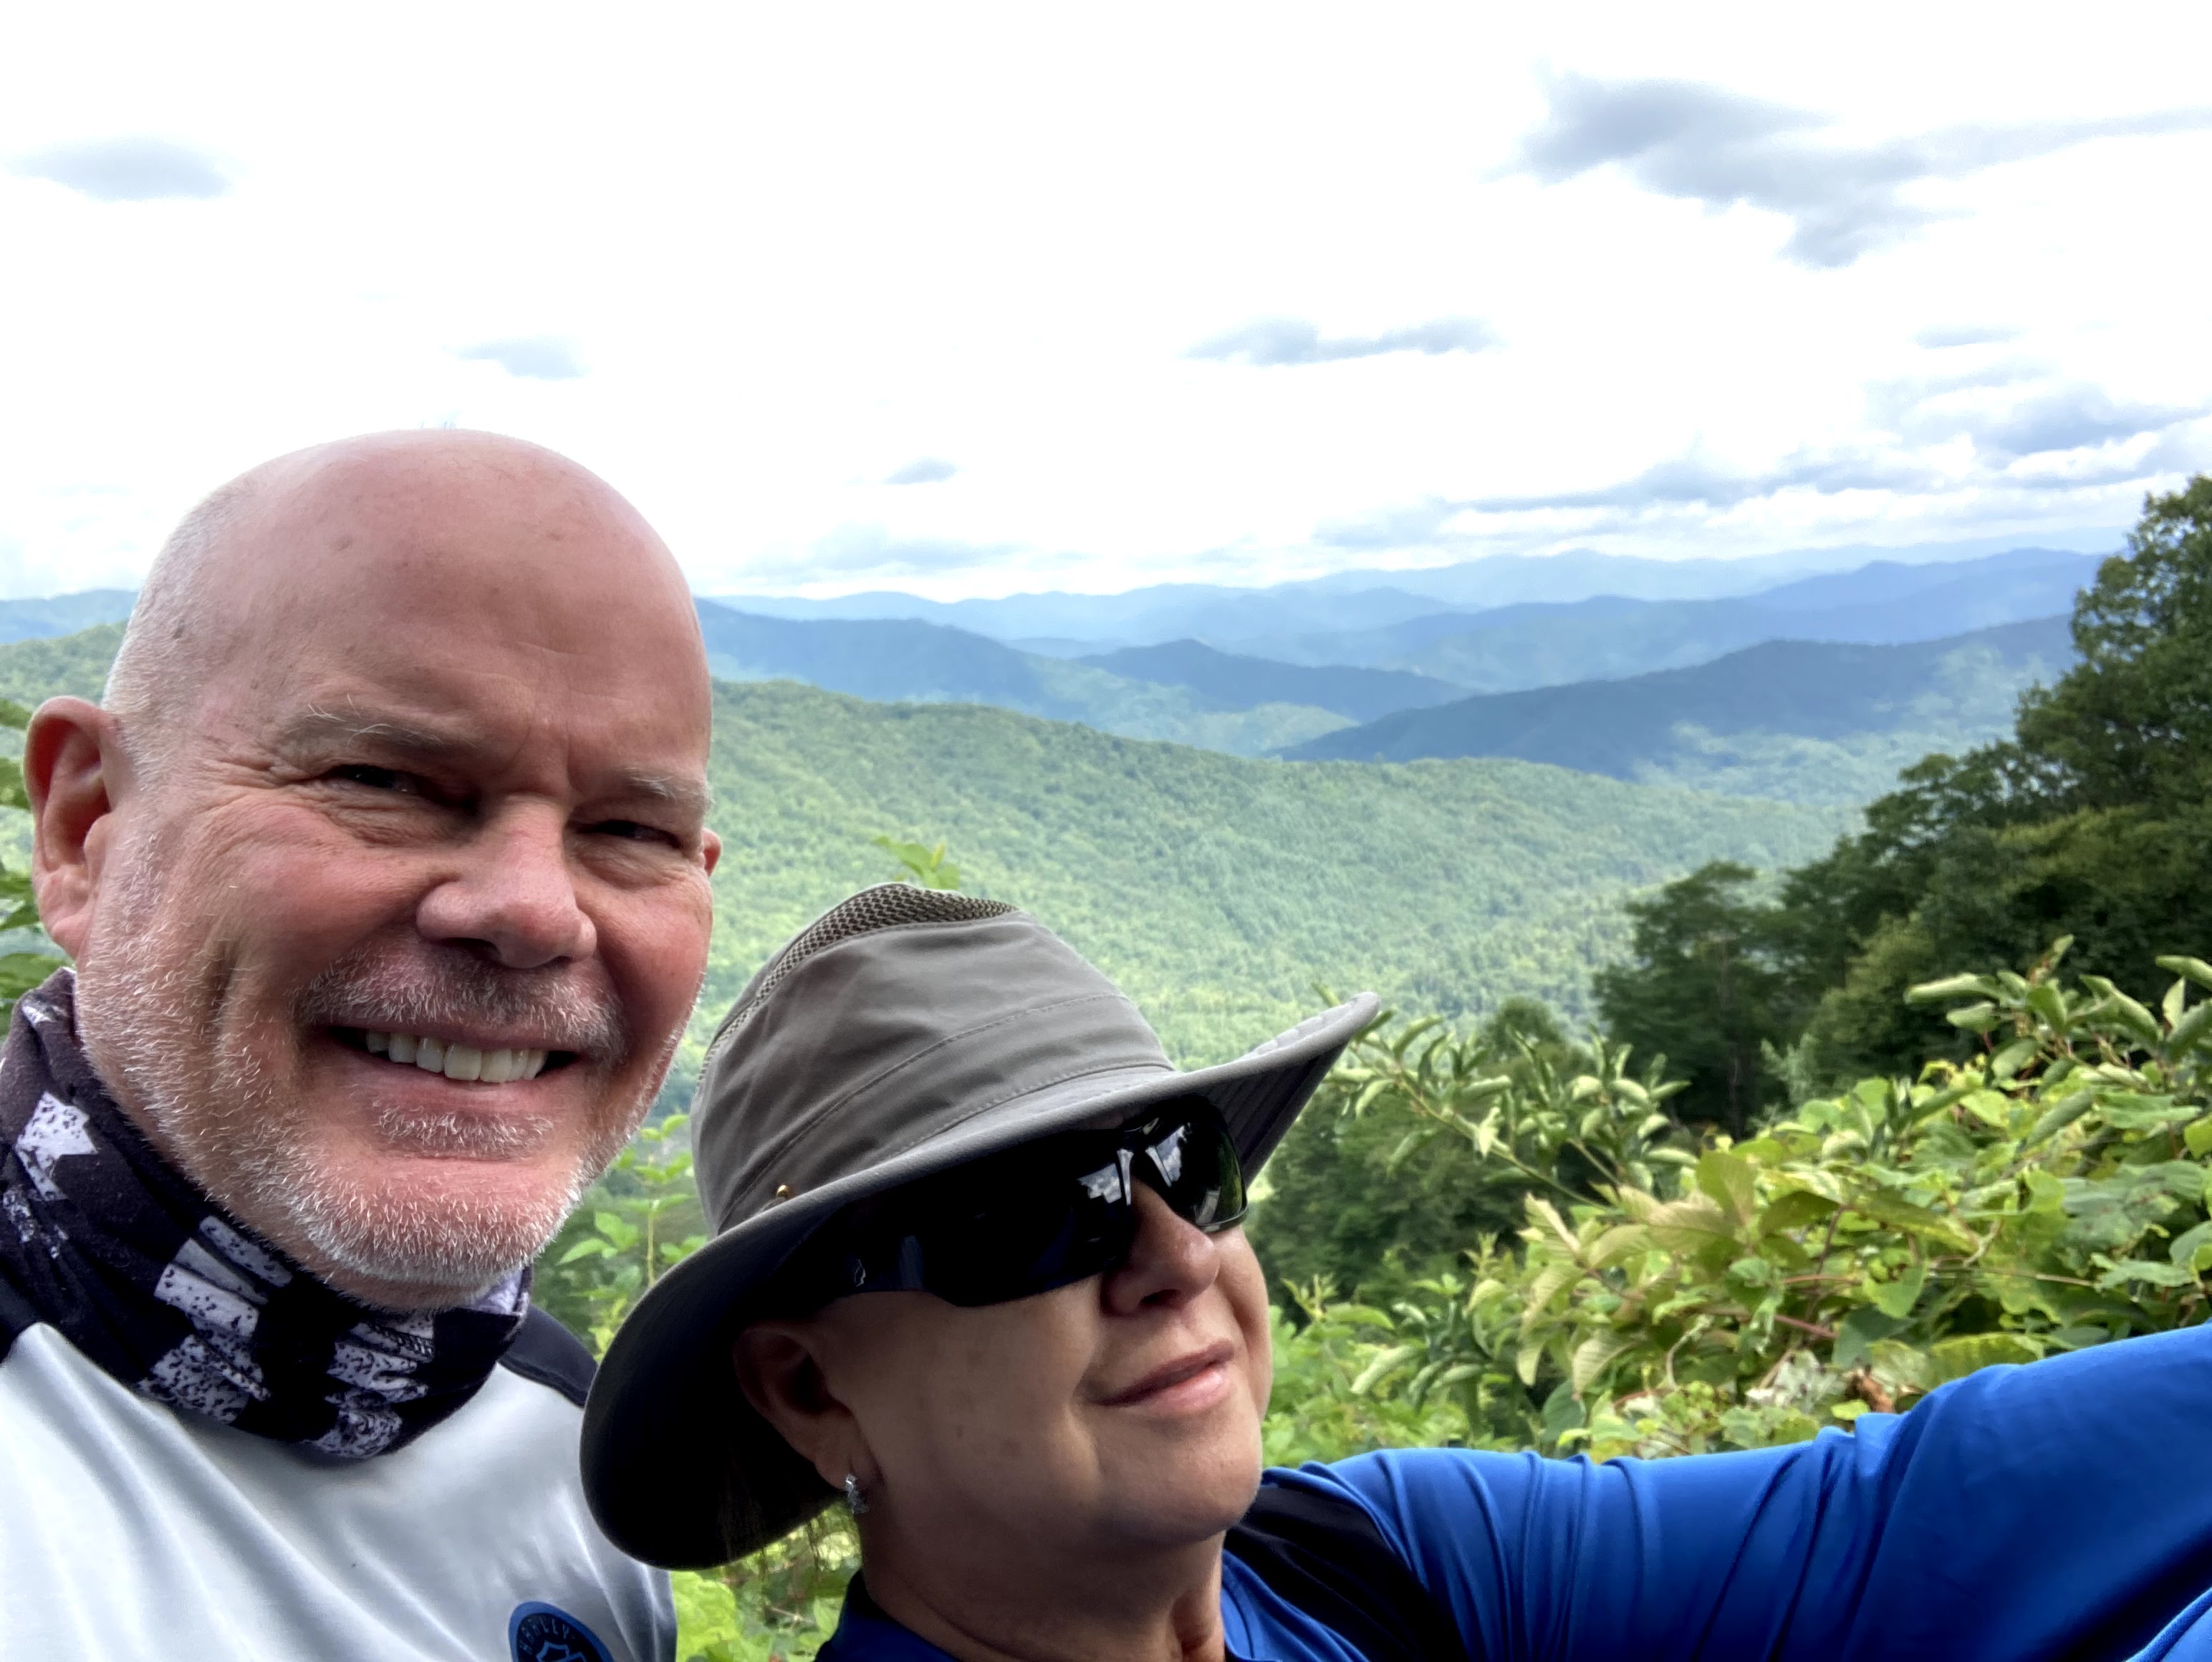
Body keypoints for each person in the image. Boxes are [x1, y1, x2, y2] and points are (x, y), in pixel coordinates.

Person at [585, 885, 2212, 1662]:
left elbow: (1909, 1515)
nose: (1171, 1255)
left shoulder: (1367, 1555)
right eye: (1037, 1214)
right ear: (810, 1386)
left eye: (1184, 1163)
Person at [2, 431, 721, 1661]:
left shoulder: (585, 1454)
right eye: (385, 779)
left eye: (631, 831)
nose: (534, 912)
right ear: (87, 828)